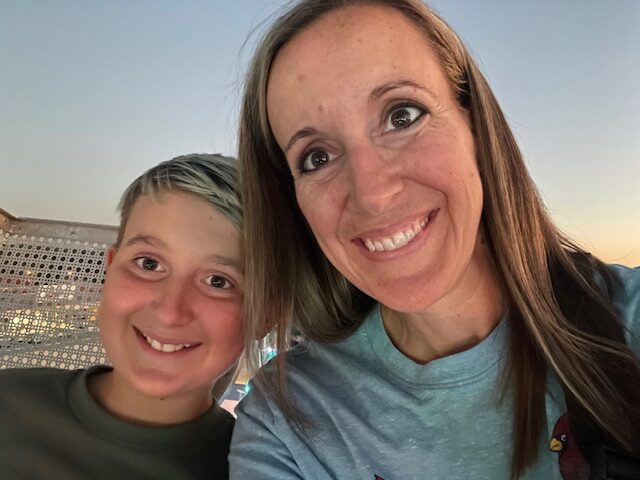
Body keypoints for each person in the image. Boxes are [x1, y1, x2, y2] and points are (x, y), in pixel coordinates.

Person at [229, 1, 640, 479]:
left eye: (402, 116)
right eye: (316, 157)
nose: (373, 196)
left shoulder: (627, 320)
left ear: (475, 126)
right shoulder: (287, 425)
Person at [0, 154, 244, 479]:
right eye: (149, 264)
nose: (169, 312)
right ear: (111, 268)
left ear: (267, 314)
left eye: (218, 281)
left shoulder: (256, 469)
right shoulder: (7, 402)